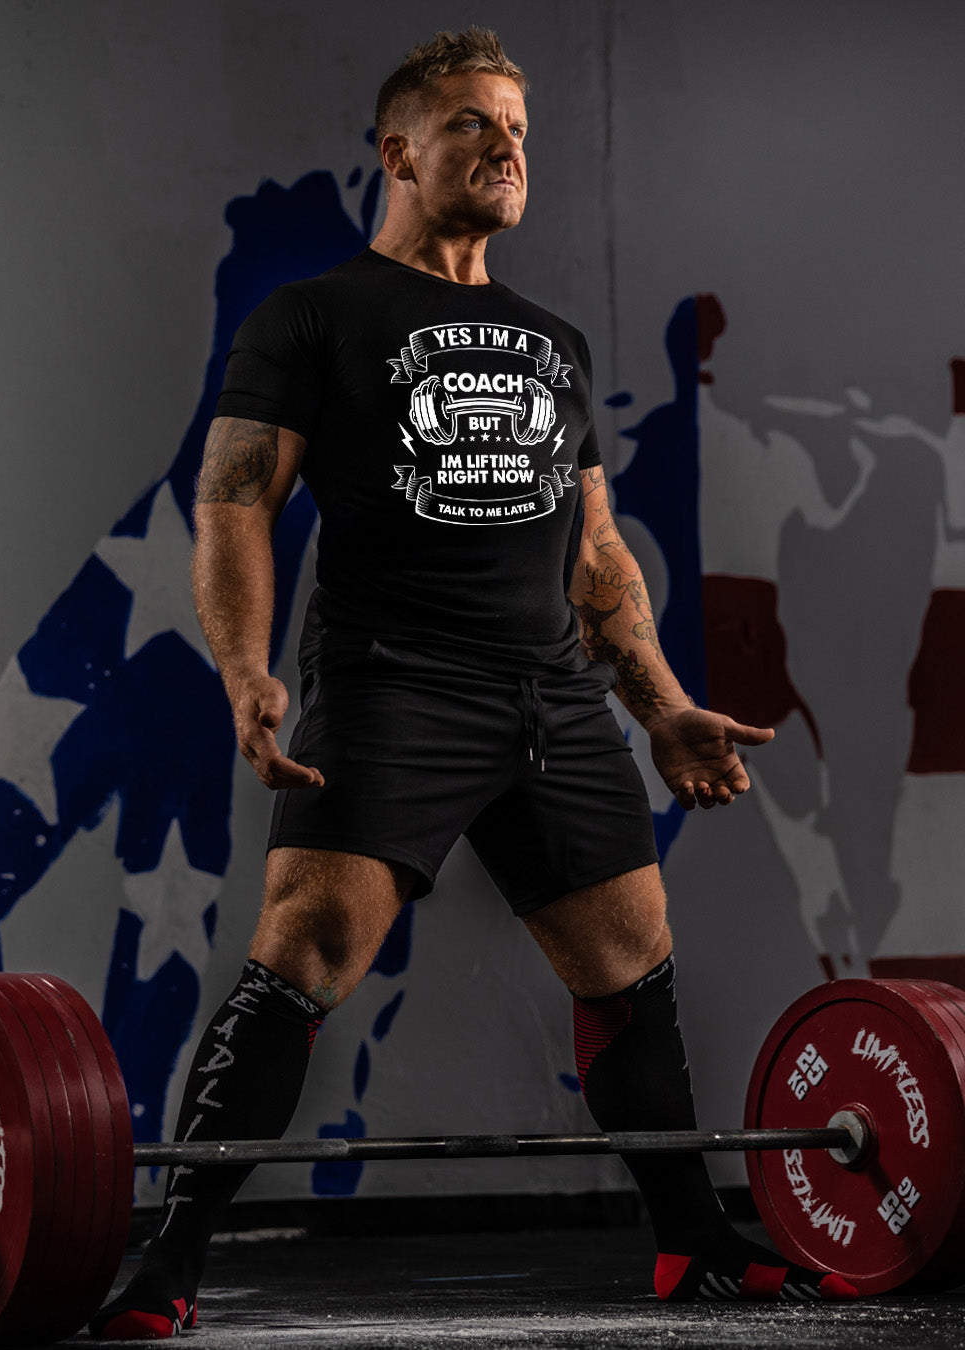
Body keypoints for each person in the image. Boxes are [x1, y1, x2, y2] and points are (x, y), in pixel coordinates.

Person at [90, 28, 856, 1340]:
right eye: (471, 125)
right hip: (394, 681)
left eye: (517, 126)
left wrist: (660, 700)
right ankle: (173, 1256)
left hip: (550, 694)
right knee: (309, 951)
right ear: (398, 151)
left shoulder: (550, 345)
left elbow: (598, 554)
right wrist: (243, 669)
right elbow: (235, 505)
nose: (506, 146)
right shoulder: (312, 315)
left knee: (631, 955)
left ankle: (690, 1243)